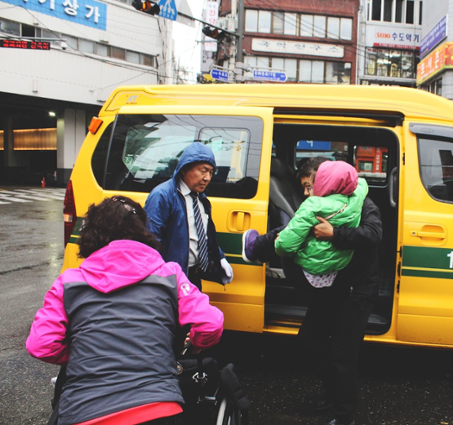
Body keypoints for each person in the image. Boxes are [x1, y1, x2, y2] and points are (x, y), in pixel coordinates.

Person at [26, 196, 225, 425]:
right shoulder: (170, 274)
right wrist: (195, 347)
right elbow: (210, 323)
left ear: (91, 234)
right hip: (159, 407)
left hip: (84, 411)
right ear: (142, 231)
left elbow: (40, 344)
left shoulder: (69, 282)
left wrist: (81, 355)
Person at [243, 156, 383, 425]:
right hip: (332, 288)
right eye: (305, 188)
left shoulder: (360, 201)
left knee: (343, 356)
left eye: (312, 185)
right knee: (310, 341)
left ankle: (343, 416)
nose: (308, 192)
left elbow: (374, 233)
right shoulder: (320, 204)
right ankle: (333, 396)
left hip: (357, 291)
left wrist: (335, 233)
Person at [145, 142, 234, 291]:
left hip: (192, 277)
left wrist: (220, 258)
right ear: (184, 168)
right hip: (169, 280)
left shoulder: (201, 199)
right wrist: (160, 280)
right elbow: (151, 241)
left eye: (211, 172)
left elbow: (205, 236)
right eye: (203, 171)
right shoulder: (163, 196)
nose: (207, 178)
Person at [273, 160, 368, 287]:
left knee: (279, 235)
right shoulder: (356, 198)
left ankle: (253, 247)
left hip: (310, 269)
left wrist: (334, 233)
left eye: (309, 187)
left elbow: (285, 246)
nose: (305, 193)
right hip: (338, 266)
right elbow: (361, 183)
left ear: (325, 183)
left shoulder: (313, 205)